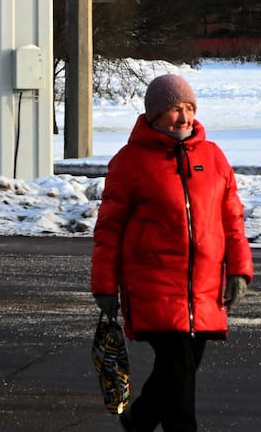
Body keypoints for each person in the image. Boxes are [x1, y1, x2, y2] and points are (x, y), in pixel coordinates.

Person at [91, 73, 252, 432]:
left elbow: (232, 219)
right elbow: (109, 230)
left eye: (189, 108)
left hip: (205, 290)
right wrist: (105, 286)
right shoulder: (130, 161)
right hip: (154, 287)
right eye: (174, 109)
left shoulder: (213, 157)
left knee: (178, 376)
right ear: (154, 114)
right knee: (178, 375)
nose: (184, 117)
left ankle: (139, 421)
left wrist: (239, 270)